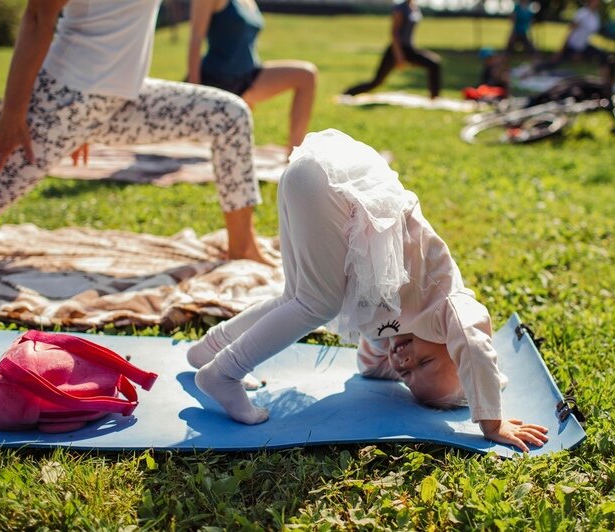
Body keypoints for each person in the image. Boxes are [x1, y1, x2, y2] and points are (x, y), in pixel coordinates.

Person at [187, 129, 549, 452]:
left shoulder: (398, 335)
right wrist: (491, 421)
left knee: (295, 298)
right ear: (449, 345)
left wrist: (396, 367)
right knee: (317, 304)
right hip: (336, 184)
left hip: (308, 178)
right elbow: (474, 347)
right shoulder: (449, 307)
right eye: (424, 362)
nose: (405, 362)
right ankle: (223, 373)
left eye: (407, 375)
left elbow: (370, 365)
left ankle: (212, 347)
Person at [0, 0, 270, 264]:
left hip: (120, 99)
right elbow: (38, 19)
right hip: (65, 100)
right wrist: (13, 114)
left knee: (228, 115)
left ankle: (242, 248)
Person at [187, 0, 317, 153]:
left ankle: (294, 154)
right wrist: (194, 90)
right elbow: (196, 39)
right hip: (218, 78)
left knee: (306, 75)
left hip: (249, 74)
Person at [343, 0, 441, 100]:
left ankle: (434, 97)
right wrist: (399, 56)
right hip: (397, 49)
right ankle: (348, 93)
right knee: (377, 82)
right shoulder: (401, 8)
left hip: (410, 49)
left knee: (434, 63)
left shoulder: (415, 8)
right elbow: (395, 33)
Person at [539, 0, 614, 83]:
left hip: (583, 45)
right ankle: (535, 69)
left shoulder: (595, 15)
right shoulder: (582, 14)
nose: (597, 2)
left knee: (604, 57)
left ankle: (605, 80)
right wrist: (561, 49)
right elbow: (570, 31)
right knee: (554, 63)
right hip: (572, 45)